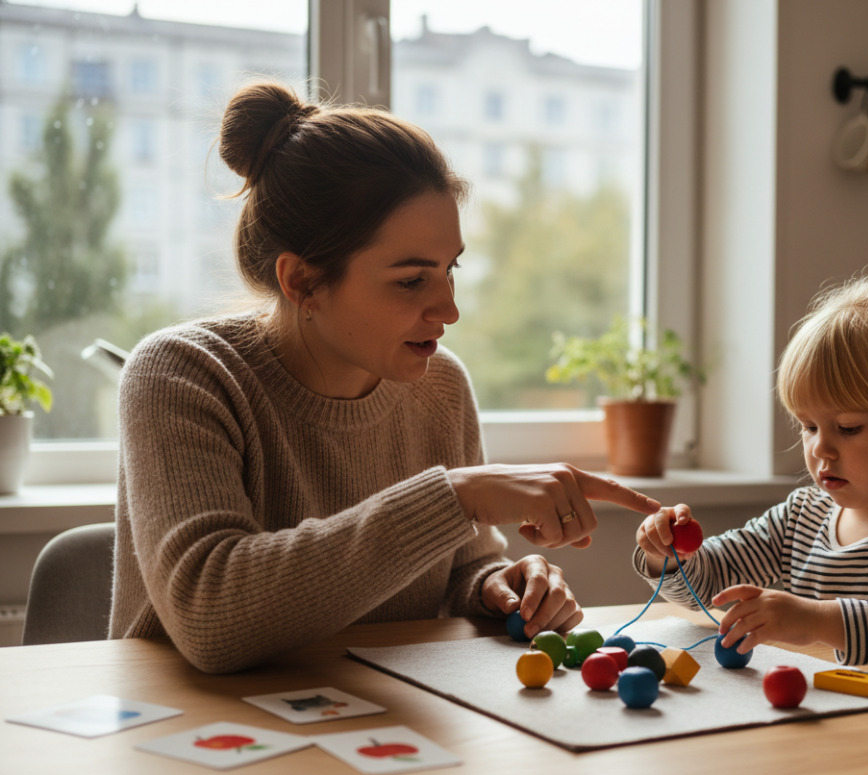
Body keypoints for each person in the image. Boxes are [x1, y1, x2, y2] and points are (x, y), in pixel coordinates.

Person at [109, 81, 660, 674]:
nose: (449, 310)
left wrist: (496, 585)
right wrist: (457, 496)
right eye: (411, 280)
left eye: (450, 270)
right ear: (301, 282)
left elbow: (458, 568)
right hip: (192, 721)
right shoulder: (183, 374)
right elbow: (209, 615)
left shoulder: (440, 386)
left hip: (372, 711)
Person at [634, 274, 868, 672]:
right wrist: (668, 556)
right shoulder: (801, 518)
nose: (819, 448)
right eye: (808, 426)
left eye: (848, 428)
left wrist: (816, 620)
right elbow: (709, 585)